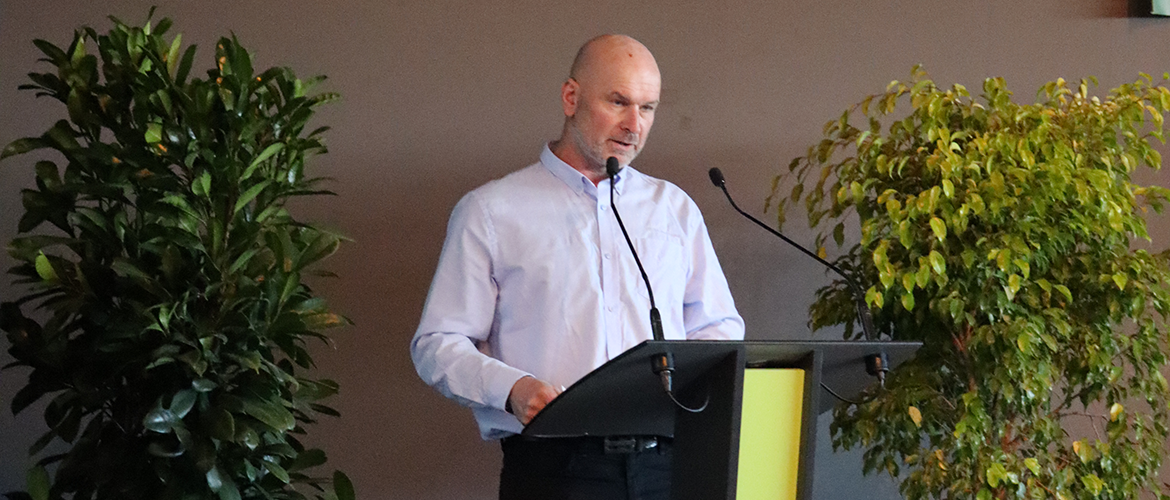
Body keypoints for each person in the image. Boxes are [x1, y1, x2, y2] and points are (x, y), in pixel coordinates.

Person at [410, 34, 745, 500]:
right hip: (556, 469)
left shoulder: (673, 209)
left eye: (648, 108)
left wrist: (688, 386)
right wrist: (512, 388)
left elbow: (719, 328)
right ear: (571, 98)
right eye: (619, 102)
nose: (634, 125)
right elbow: (437, 344)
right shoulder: (491, 211)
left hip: (671, 467)